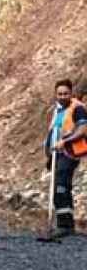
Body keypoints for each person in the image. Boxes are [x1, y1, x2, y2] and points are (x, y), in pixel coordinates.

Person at [43, 79, 87, 239]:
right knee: (59, 187)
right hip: (57, 154)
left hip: (70, 153)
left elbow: (82, 130)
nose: (62, 96)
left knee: (61, 187)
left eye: (65, 93)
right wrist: (49, 154)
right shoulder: (57, 110)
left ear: (71, 93)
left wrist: (65, 141)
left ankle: (65, 226)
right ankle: (66, 224)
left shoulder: (78, 109)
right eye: (59, 94)